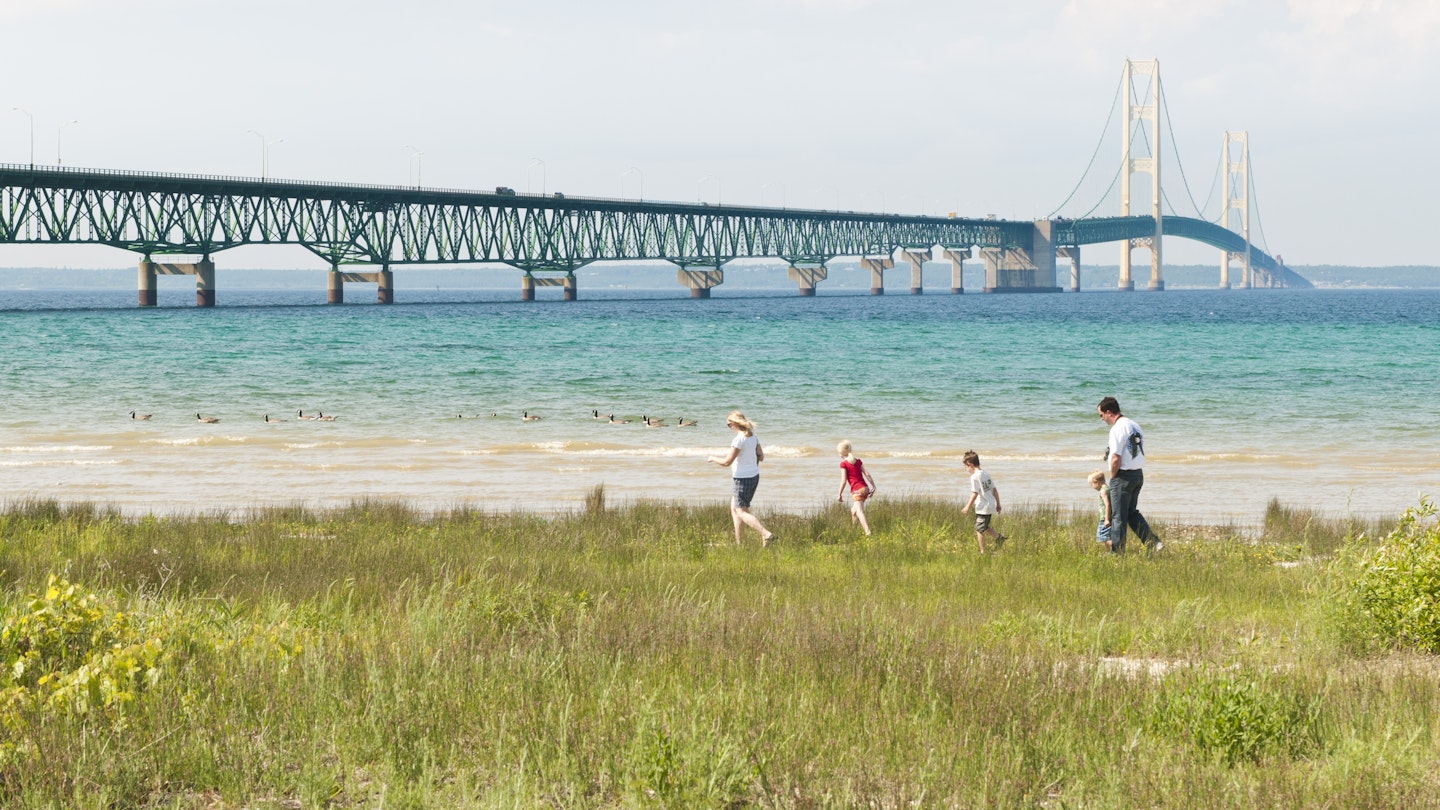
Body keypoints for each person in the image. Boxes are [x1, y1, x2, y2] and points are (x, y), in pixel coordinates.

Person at [1097, 396, 1163, 554]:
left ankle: (1117, 554)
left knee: (1118, 517)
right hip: (1138, 474)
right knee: (1131, 513)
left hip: (1123, 476)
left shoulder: (1117, 428)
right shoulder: (1134, 425)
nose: (1102, 419)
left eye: (1101, 415)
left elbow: (1115, 457)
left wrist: (1113, 477)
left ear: (1109, 412)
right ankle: (1153, 543)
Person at [707, 411, 775, 546]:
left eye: (729, 425)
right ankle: (739, 544)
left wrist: (712, 458)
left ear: (734, 424)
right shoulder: (753, 436)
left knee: (741, 512)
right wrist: (750, 459)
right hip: (754, 477)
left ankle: (766, 534)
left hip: (742, 480)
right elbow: (761, 456)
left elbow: (727, 462)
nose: (729, 427)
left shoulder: (738, 439)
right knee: (734, 508)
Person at [959, 450, 1004, 553]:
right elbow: (994, 490)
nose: (966, 469)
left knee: (979, 530)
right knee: (984, 526)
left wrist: (967, 507)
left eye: (965, 467)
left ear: (970, 464)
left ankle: (983, 552)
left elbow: (975, 493)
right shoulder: (986, 474)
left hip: (983, 507)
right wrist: (998, 504)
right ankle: (999, 538)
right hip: (990, 505)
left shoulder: (974, 477)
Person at [836, 440, 877, 536]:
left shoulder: (843, 464)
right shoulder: (858, 461)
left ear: (841, 452)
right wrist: (873, 486)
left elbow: (843, 480)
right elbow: (867, 474)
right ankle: (854, 532)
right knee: (853, 511)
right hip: (865, 488)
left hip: (857, 491)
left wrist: (839, 494)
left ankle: (868, 532)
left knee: (859, 511)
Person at [1088, 469, 1112, 552]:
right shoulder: (1108, 488)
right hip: (1109, 517)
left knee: (1102, 537)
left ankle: (1116, 545)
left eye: (1091, 484)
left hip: (1105, 518)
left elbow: (1107, 505)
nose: (1092, 487)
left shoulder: (1103, 491)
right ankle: (1108, 553)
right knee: (1105, 538)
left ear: (1096, 481)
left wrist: (1106, 519)